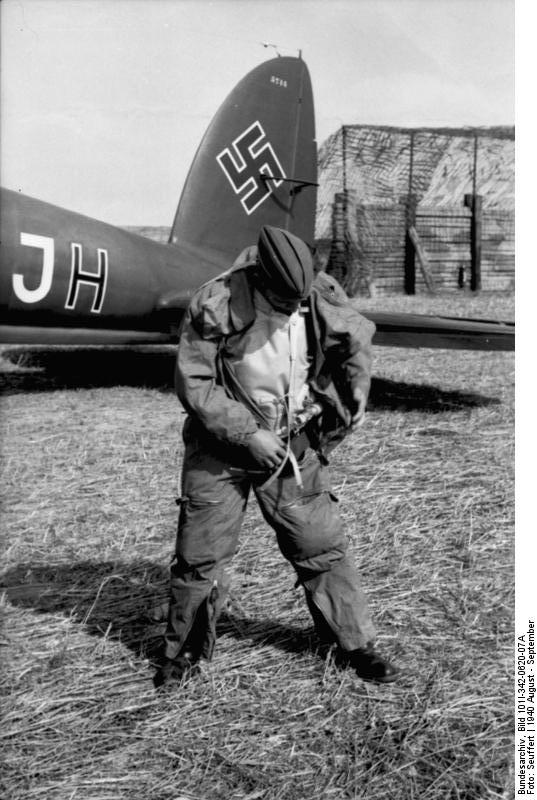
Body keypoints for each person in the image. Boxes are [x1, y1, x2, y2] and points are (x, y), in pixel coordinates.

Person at [154, 225, 397, 688]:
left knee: (320, 546)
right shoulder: (216, 300)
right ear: (262, 279)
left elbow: (353, 341)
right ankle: (182, 651)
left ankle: (353, 646)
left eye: (298, 300)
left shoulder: (317, 295)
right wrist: (248, 435)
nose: (293, 308)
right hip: (220, 445)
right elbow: (196, 384)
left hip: (293, 442)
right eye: (284, 300)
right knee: (198, 555)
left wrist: (354, 391)